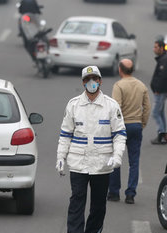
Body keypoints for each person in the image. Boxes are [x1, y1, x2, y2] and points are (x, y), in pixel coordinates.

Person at [56, 66, 127, 233]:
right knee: (76, 201)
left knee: (98, 205)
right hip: (78, 163)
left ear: (100, 81)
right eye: (87, 79)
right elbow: (65, 134)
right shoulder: (74, 105)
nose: (91, 82)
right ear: (83, 83)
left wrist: (117, 156)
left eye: (95, 78)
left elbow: (119, 134)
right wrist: (60, 157)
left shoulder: (111, 106)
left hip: (102, 165)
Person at [107, 59, 151, 205]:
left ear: (120, 69)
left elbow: (116, 108)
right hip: (136, 125)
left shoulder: (118, 86)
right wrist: (142, 123)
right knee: (134, 161)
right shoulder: (141, 85)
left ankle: (114, 192)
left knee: (116, 159)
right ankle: (130, 193)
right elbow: (147, 107)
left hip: (121, 126)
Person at [150, 37, 167, 144]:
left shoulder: (164, 61)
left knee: (155, 113)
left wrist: (158, 89)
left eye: (156, 47)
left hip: (160, 92)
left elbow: (163, 77)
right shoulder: (163, 59)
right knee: (160, 112)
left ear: (161, 48)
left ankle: (161, 135)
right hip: (160, 91)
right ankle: (163, 135)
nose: (154, 49)